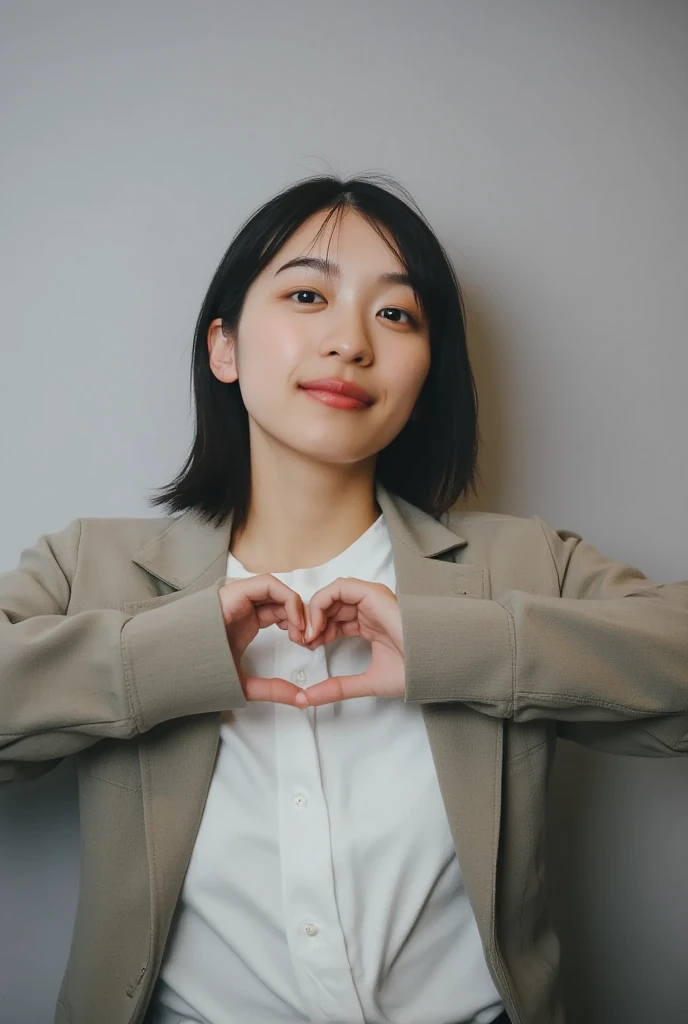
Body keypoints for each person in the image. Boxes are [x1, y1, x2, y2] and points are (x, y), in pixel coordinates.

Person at [1, 173, 686, 1024]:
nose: (350, 342)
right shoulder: (88, 565)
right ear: (224, 346)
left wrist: (461, 649)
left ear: (426, 370)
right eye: (306, 295)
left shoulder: (521, 562)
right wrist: (162, 660)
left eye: (396, 314)